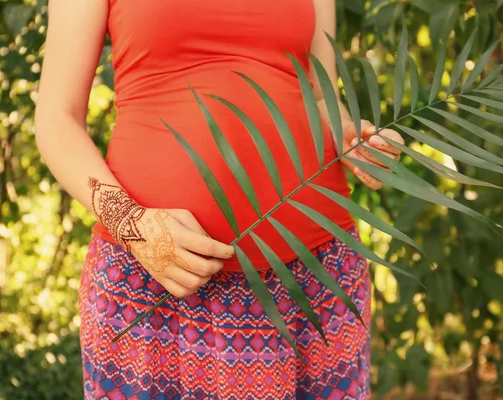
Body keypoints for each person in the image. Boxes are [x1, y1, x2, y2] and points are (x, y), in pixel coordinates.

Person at [34, 0, 405, 398]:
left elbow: (320, 97)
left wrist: (356, 141)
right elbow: (57, 118)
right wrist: (134, 228)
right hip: (158, 281)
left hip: (314, 278)